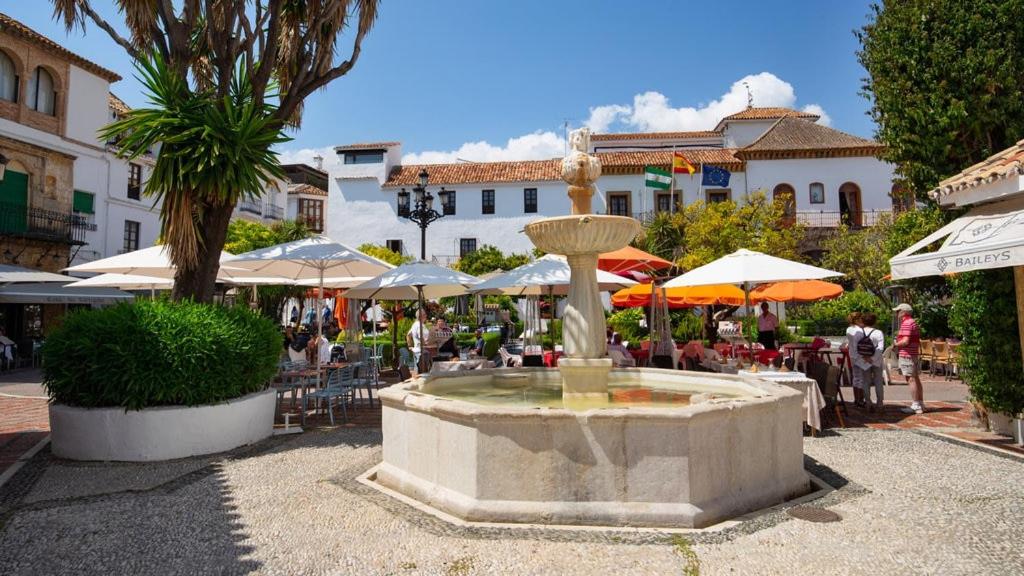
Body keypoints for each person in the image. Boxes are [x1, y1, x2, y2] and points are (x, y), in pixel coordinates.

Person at [894, 303, 924, 414]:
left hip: (907, 354)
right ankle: (920, 403)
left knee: (910, 378)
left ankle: (916, 404)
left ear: (904, 312)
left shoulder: (906, 323)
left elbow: (905, 341)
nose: (896, 313)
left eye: (898, 311)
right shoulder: (913, 322)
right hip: (913, 353)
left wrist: (895, 345)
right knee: (915, 378)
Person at [854, 313, 885, 412]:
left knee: (866, 382)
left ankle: (868, 403)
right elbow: (880, 348)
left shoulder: (859, 332)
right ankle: (880, 404)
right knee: (878, 382)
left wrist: (865, 357)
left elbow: (856, 347)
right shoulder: (878, 332)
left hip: (863, 360)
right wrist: (873, 358)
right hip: (877, 361)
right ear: (874, 322)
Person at [845, 312, 866, 407]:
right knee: (861, 378)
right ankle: (860, 399)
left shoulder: (849, 329)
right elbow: (860, 344)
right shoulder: (859, 331)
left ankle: (856, 399)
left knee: (856, 377)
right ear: (857, 320)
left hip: (852, 355)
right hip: (860, 355)